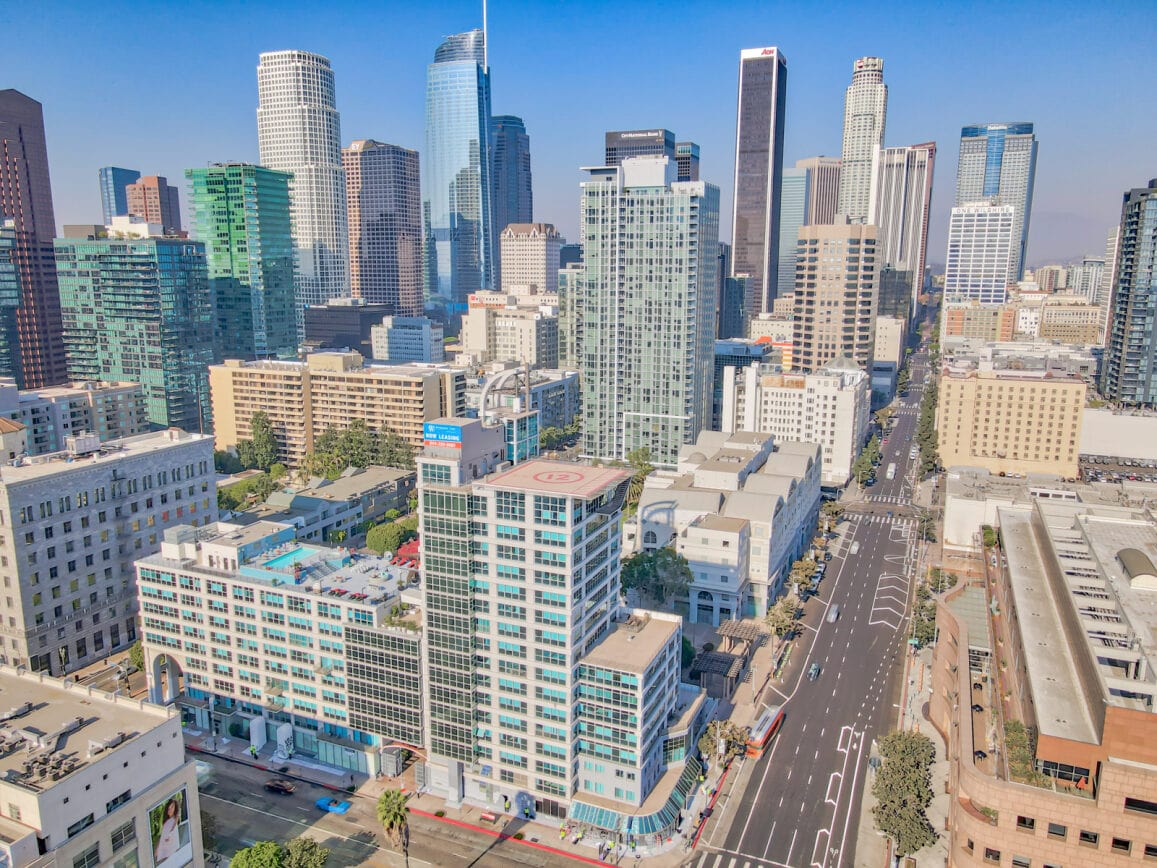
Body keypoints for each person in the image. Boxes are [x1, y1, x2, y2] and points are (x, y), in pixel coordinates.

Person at [154, 797, 181, 861]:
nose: (170, 809)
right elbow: (162, 836)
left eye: (172, 807)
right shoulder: (166, 821)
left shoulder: (175, 819)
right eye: (169, 807)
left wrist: (169, 835)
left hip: (170, 851)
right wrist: (157, 848)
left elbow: (174, 825)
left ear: (175, 808)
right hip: (164, 852)